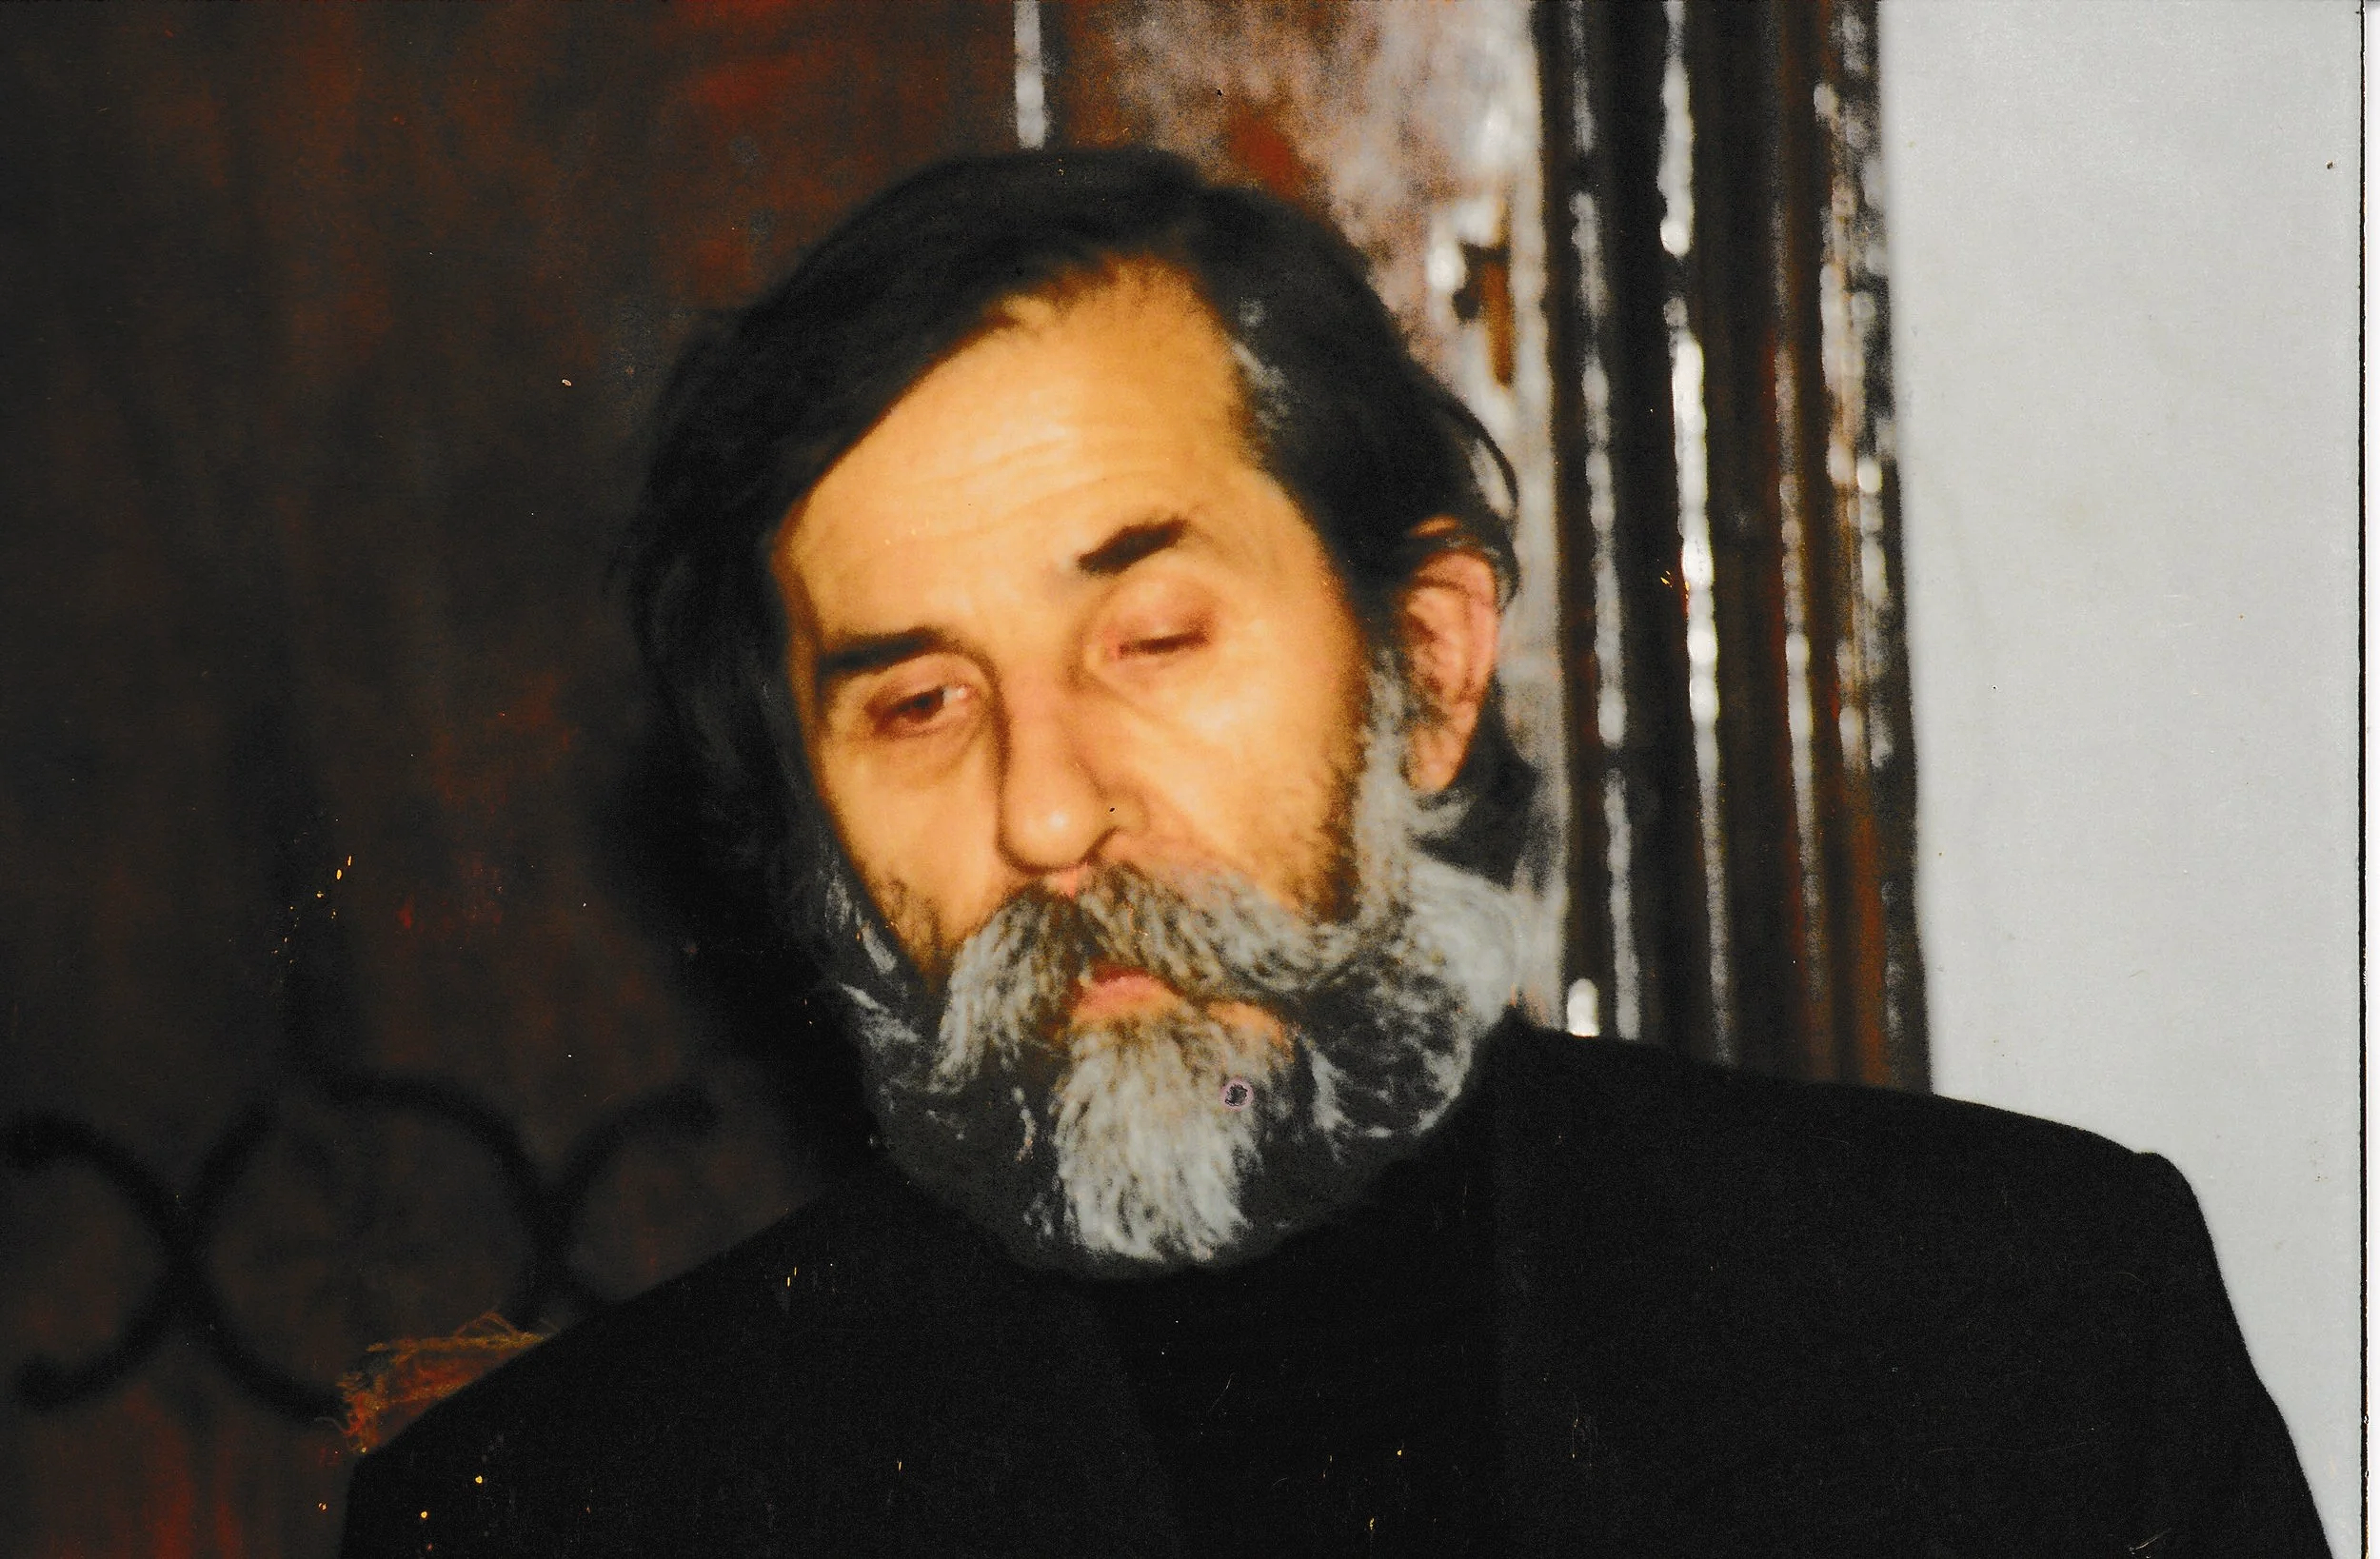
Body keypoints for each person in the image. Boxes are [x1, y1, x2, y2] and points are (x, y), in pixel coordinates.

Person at [339, 148, 2324, 1558]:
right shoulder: (573, 1514)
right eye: (918, 703)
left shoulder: (2017, 1326)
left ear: (1425, 672)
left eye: (1148, 638)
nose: (1045, 809)